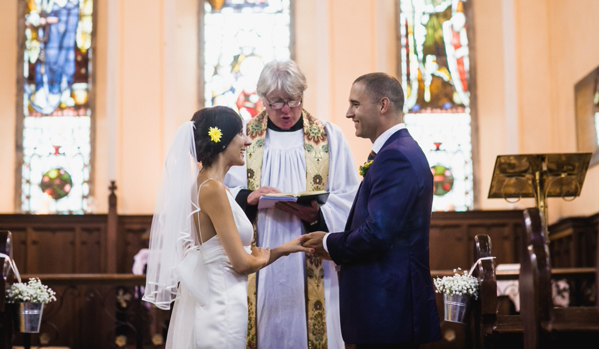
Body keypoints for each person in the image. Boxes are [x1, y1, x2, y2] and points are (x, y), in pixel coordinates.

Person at [143, 106, 311, 349]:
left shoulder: (212, 186)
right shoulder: (213, 189)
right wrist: (262, 258)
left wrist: (288, 248)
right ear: (222, 140)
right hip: (222, 307)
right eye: (240, 134)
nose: (248, 140)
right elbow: (242, 263)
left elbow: (233, 256)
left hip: (222, 301)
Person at [225, 60, 360, 349]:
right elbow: (221, 191)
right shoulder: (244, 139)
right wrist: (248, 199)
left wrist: (317, 214)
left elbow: (349, 197)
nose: (286, 110)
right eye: (277, 103)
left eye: (293, 101)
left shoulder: (329, 137)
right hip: (260, 256)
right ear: (263, 99)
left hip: (314, 256)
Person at [302, 73, 442, 348]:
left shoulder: (396, 156)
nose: (348, 113)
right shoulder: (397, 151)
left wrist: (329, 241)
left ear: (382, 105)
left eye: (355, 104)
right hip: (389, 306)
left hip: (388, 308)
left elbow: (378, 232)